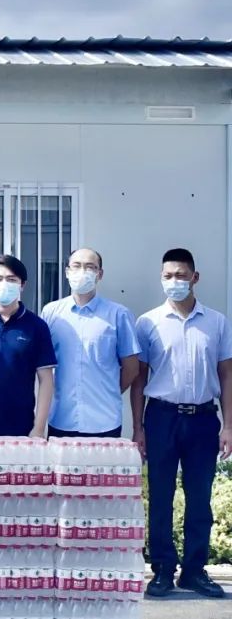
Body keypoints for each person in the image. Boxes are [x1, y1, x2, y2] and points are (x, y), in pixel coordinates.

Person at [133, 248, 232, 598]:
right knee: (160, 495)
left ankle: (194, 570)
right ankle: (162, 568)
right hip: (161, 417)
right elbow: (139, 379)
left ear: (195, 278)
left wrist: (228, 425)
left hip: (203, 418)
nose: (174, 281)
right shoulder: (148, 322)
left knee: (200, 497)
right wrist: (138, 428)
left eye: (180, 275)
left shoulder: (217, 322)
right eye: (168, 276)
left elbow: (226, 374)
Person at [40, 248, 140, 437]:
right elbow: (44, 364)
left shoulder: (119, 315)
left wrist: (109, 391)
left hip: (105, 421)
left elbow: (131, 368)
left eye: (90, 267)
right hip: (62, 419)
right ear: (67, 271)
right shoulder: (51, 313)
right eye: (76, 266)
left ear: (99, 274)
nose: (82, 272)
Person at [0, 255, 56, 437]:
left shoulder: (37, 326)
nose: (4, 284)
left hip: (21, 428)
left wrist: (38, 428)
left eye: (11, 279)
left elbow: (46, 380)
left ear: (22, 285)